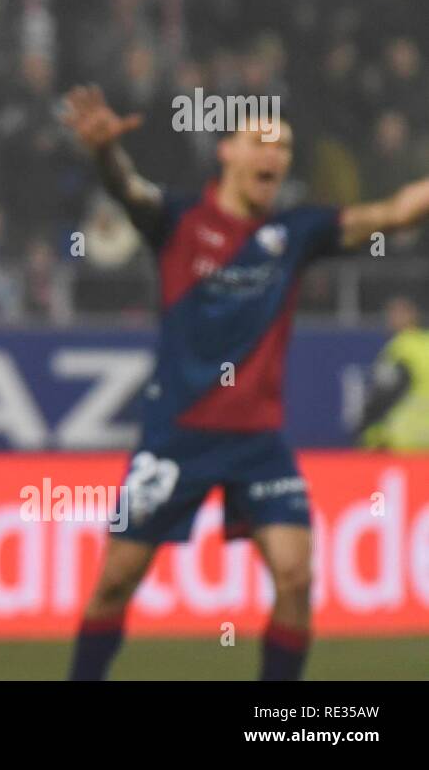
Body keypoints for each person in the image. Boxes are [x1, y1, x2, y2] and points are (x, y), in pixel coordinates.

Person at [61, 85, 429, 681]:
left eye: (284, 147)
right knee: (115, 582)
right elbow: (125, 186)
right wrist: (104, 152)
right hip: (176, 436)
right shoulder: (179, 220)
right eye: (262, 142)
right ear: (227, 151)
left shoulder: (296, 233)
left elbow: (393, 213)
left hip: (258, 442)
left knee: (296, 576)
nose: (276, 156)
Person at [356, 295, 429, 454]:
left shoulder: (400, 348)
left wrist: (364, 427)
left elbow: (383, 394)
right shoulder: (426, 343)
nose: (391, 318)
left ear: (412, 315)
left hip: (404, 440)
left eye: (397, 313)